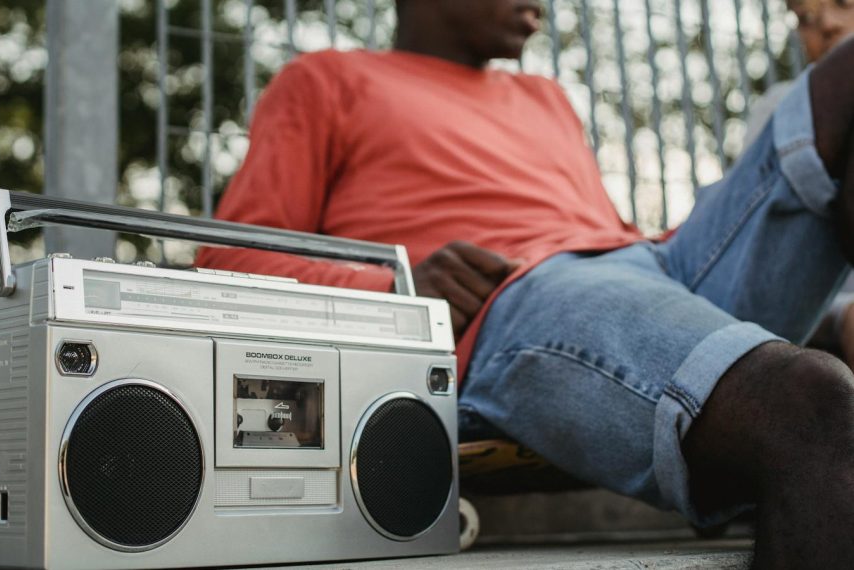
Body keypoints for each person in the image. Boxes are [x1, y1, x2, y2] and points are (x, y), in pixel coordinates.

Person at [196, 1, 854, 567]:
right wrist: (395, 287)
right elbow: (230, 262)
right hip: (514, 301)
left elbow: (602, 240)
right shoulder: (325, 80)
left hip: (648, 268)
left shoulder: (547, 98)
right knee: (811, 401)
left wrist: (828, 314)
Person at [743, 0, 854, 365]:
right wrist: (841, 316)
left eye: (844, 2)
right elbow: (760, 282)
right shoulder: (782, 109)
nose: (828, 24)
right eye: (806, 18)